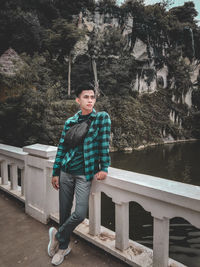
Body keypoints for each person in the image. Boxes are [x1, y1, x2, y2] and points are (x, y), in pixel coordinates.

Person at [47, 82, 111, 266]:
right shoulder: (70, 122)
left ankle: (57, 235)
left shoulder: (100, 119)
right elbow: (62, 148)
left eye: (92, 97)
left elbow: (104, 145)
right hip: (66, 172)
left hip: (85, 174)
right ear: (78, 100)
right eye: (86, 97)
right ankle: (63, 248)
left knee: (80, 213)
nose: (90, 100)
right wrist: (56, 171)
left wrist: (104, 167)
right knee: (65, 211)